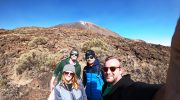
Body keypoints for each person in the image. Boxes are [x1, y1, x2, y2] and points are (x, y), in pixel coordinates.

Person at [102, 17, 180, 100]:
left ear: (121, 70)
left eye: (113, 68)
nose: (108, 72)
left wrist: (172, 92)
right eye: (105, 69)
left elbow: (143, 91)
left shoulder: (125, 88)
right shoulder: (106, 85)